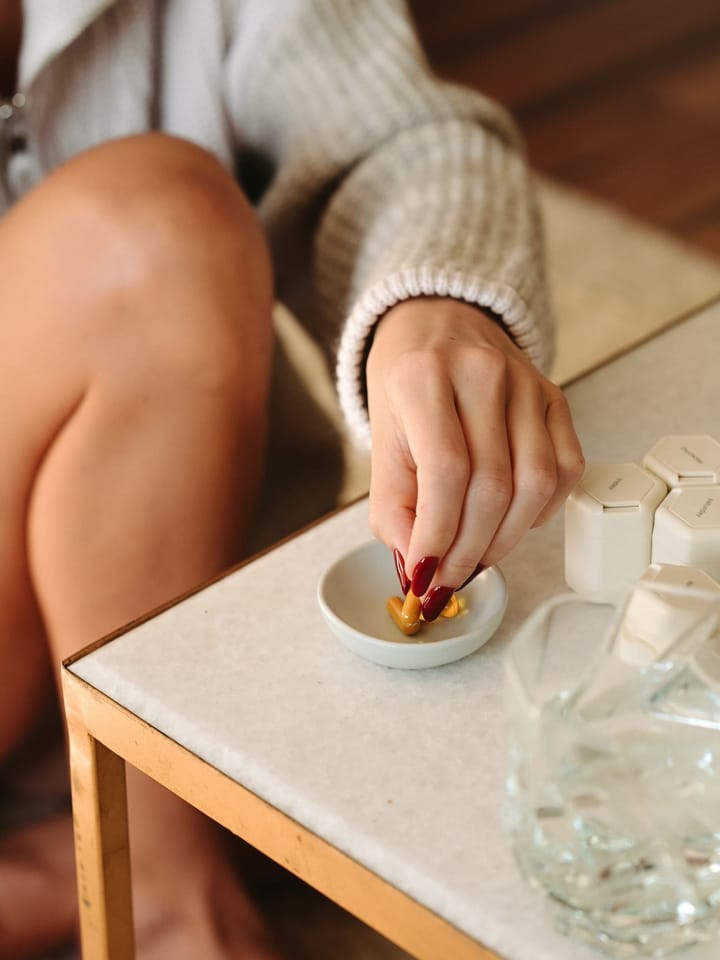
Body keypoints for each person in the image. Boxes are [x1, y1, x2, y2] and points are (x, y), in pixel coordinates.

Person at [0, 0, 585, 957]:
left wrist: (434, 310)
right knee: (145, 231)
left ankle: (113, 852)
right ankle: (159, 882)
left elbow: (395, 136)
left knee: (152, 238)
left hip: (191, 566)